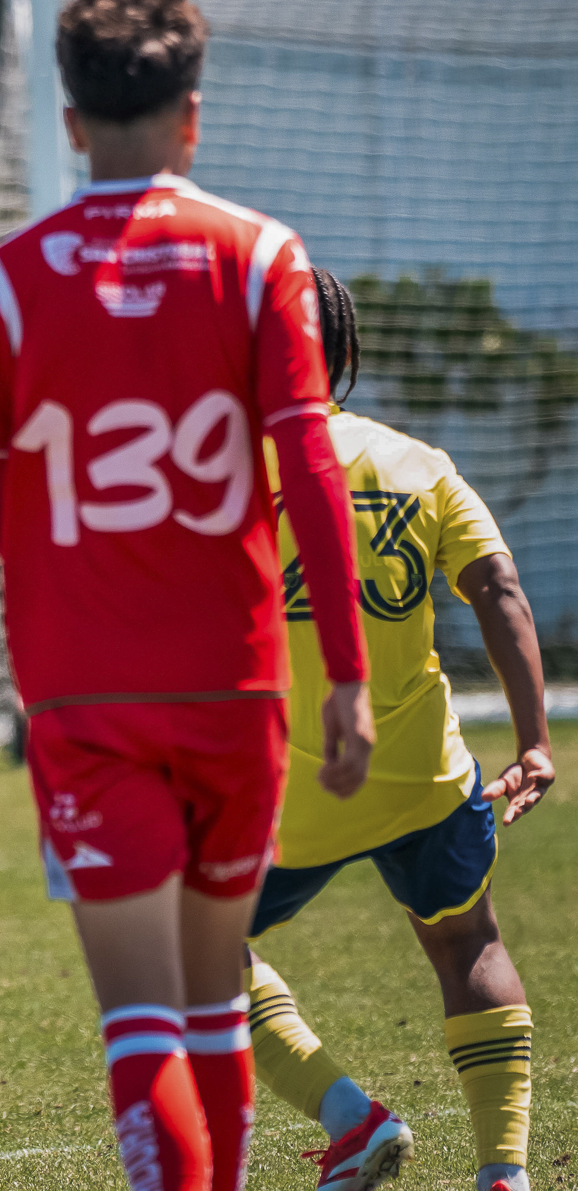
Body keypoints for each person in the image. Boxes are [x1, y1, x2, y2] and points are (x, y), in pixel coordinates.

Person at [0, 0, 377, 1191]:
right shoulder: (259, 258)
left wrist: (67, 602)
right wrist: (343, 676)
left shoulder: (7, 282)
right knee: (210, 1004)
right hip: (232, 683)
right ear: (192, 114)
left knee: (141, 1020)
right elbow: (308, 468)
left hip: (84, 696)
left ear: (70, 123)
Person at [243, 268, 552, 1191]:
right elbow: (499, 590)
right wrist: (535, 739)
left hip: (291, 789)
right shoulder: (419, 464)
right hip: (423, 776)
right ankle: (504, 1173)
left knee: (180, 946)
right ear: (342, 355)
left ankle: (352, 1117)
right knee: (470, 945)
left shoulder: (228, 475)